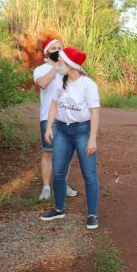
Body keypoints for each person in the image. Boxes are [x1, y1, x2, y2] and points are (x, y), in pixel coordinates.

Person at [40, 47, 102, 230]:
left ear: (71, 65)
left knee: (89, 174)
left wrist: (92, 138)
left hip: (82, 130)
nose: (57, 64)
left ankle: (92, 214)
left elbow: (95, 112)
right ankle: (59, 209)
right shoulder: (60, 81)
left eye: (60, 61)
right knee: (58, 172)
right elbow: (53, 104)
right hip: (62, 130)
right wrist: (49, 126)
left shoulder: (88, 85)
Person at [32, 34, 77, 200]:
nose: (58, 51)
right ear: (46, 53)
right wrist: (56, 67)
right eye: (54, 49)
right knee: (48, 154)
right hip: (47, 118)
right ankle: (45, 187)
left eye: (60, 48)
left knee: (66, 154)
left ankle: (63, 185)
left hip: (67, 118)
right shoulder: (40, 70)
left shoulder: (68, 70)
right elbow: (43, 83)